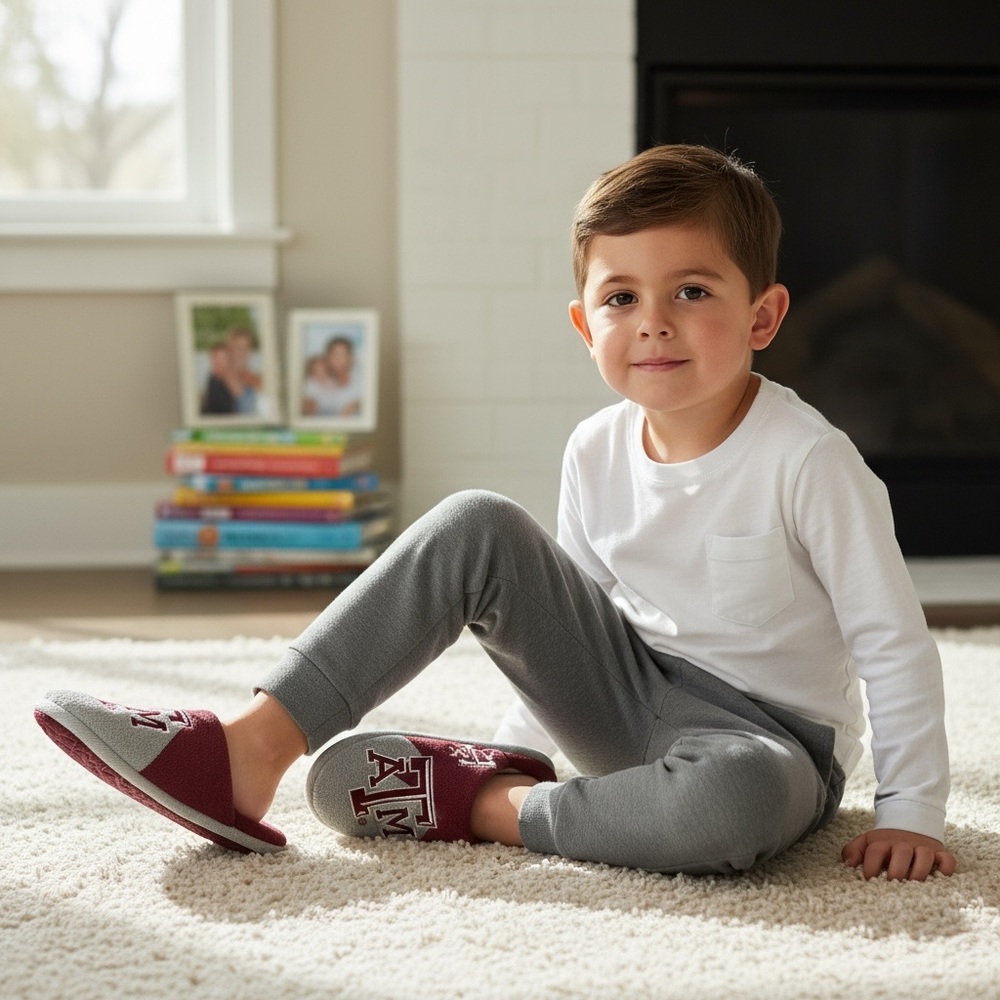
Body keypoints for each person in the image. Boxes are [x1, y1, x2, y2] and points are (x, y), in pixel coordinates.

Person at [35, 144, 955, 881]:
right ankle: (249, 750)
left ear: (763, 316)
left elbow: (892, 643)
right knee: (477, 520)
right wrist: (525, 749)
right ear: (585, 326)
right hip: (627, 701)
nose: (654, 321)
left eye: (692, 291)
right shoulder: (593, 448)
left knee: (730, 809)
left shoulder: (808, 460)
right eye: (622, 297)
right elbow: (564, 625)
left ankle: (481, 807)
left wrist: (911, 811)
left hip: (765, 745)